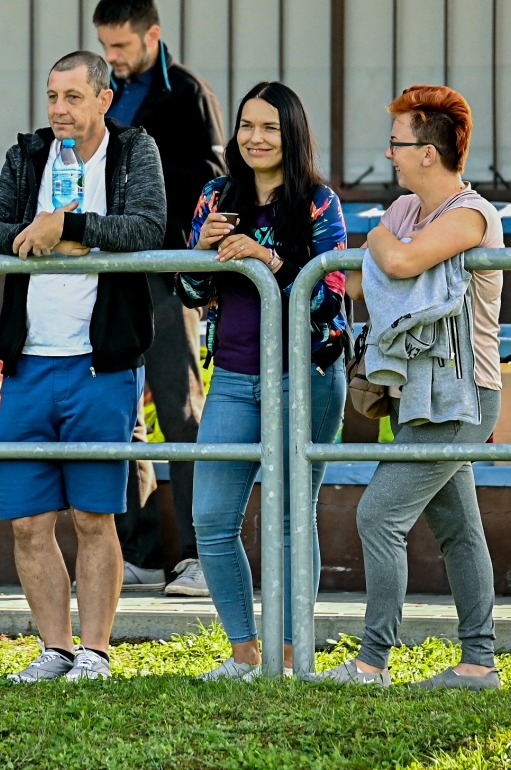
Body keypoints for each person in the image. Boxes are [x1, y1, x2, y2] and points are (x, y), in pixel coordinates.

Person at [0, 50, 167, 682]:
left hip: (101, 365)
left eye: (73, 97)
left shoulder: (136, 151)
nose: (58, 109)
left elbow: (148, 229)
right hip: (28, 363)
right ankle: (55, 649)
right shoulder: (28, 155)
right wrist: (43, 231)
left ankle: (97, 651)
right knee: (29, 522)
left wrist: (73, 225)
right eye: (52, 96)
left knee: (92, 516)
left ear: (104, 99)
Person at [311, 84, 505, 690]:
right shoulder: (403, 214)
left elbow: (395, 265)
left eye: (396, 142)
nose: (389, 154)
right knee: (458, 529)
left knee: (378, 515)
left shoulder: (472, 215)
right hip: (417, 394)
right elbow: (363, 285)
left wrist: (372, 241)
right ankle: (479, 663)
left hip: (463, 394)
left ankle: (372, 663)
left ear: (428, 151)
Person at [175, 81, 350, 679]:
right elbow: (191, 294)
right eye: (246, 126)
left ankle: (293, 652)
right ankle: (246, 652)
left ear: (293, 135)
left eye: (269, 128)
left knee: (289, 516)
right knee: (212, 518)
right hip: (232, 375)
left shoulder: (318, 203)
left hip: (306, 377)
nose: (254, 137)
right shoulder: (215, 196)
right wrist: (201, 252)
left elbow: (330, 303)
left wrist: (270, 261)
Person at [94, 0, 225, 596]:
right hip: (107, 272)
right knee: (122, 415)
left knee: (180, 410)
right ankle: (139, 552)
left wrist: (190, 259)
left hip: (166, 274)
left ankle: (200, 555)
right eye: (103, 45)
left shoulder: (187, 94)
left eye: (119, 45)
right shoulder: (99, 91)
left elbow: (211, 180)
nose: (111, 56)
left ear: (152, 35)